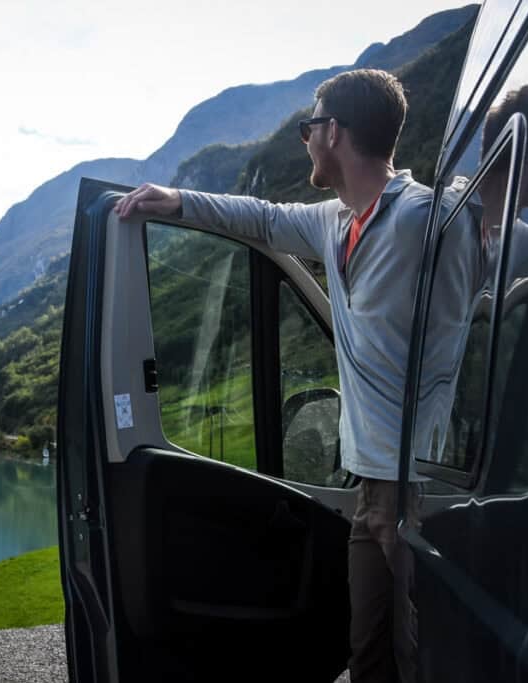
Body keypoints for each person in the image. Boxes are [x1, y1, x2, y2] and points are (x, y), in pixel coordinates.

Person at [116, 68, 426, 683]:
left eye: (309, 127)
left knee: (426, 649)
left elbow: (513, 245)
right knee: (367, 651)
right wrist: (178, 201)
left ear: (333, 133)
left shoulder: (425, 217)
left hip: (409, 481)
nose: (305, 140)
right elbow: (261, 218)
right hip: (371, 482)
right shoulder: (335, 223)